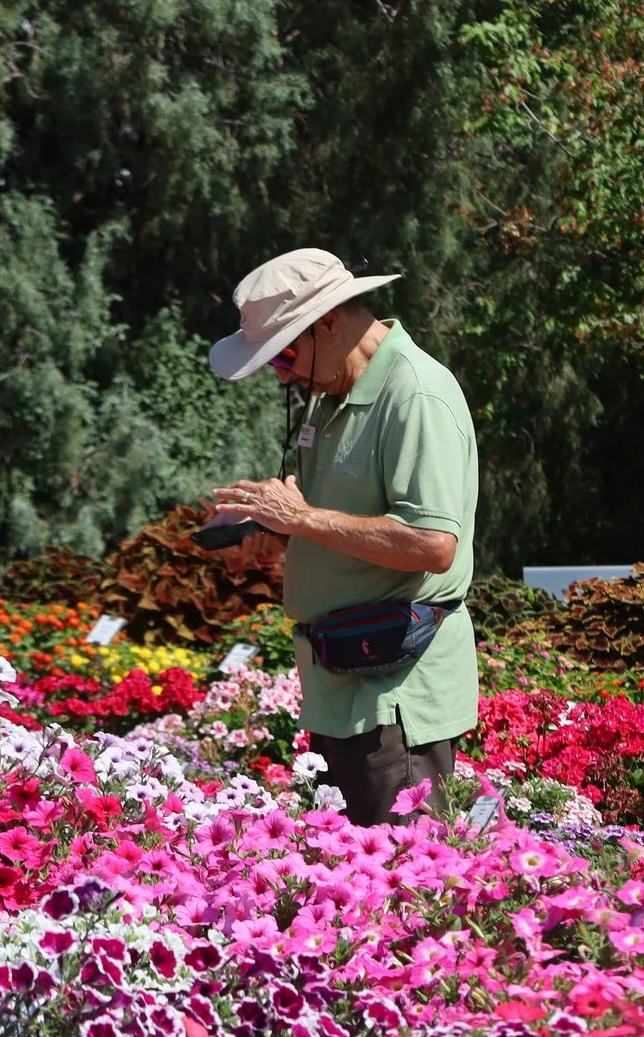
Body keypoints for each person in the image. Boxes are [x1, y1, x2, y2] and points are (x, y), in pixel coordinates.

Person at [203, 248, 478, 825]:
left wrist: (301, 520)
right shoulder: (332, 396)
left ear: (328, 321)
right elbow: (341, 523)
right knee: (351, 899)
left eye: (283, 354)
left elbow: (432, 543)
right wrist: (272, 531)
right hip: (343, 687)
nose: (280, 372)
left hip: (391, 695)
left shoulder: (416, 394)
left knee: (403, 894)